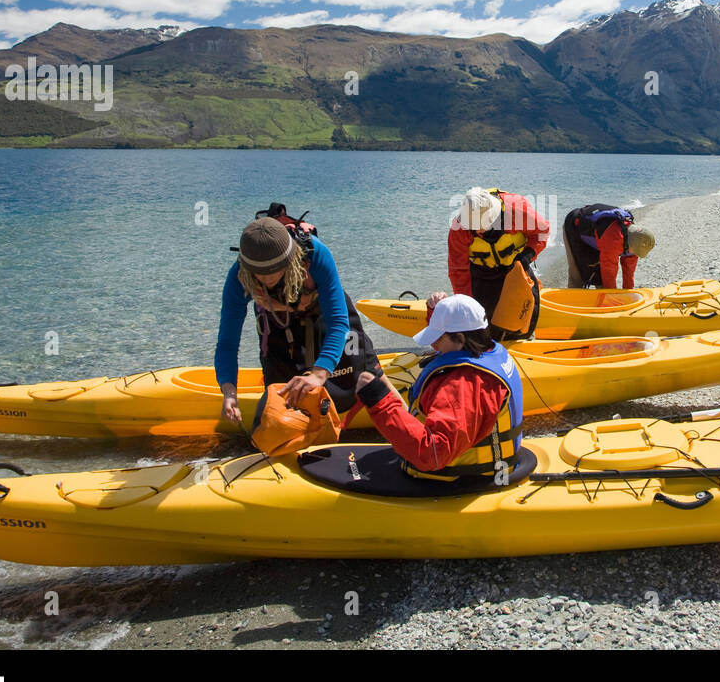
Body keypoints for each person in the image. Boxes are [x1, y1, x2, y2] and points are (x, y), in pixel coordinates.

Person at [215, 215, 379, 430]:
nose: (267, 278)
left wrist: (319, 374)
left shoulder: (315, 254)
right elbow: (227, 342)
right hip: (277, 318)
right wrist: (229, 391)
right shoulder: (239, 276)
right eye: (260, 273)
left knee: (367, 373)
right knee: (281, 398)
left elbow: (338, 322)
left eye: (275, 269)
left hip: (323, 311)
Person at [354, 294, 524, 482]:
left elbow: (431, 454)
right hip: (492, 467)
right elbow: (450, 339)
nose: (433, 345)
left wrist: (379, 402)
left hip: (460, 480)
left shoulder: (463, 384)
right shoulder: (490, 349)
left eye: (437, 338)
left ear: (460, 338)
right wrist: (436, 314)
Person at [448, 186, 549, 338]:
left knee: (522, 325)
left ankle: (524, 342)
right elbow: (458, 271)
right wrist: (468, 305)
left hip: (515, 271)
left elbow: (542, 231)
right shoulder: (459, 229)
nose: (475, 231)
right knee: (484, 331)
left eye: (478, 226)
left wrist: (528, 255)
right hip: (483, 275)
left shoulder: (516, 210)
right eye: (471, 226)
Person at [563, 204, 655, 288]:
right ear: (628, 244)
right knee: (577, 277)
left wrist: (628, 295)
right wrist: (611, 296)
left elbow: (629, 273)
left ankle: (599, 303)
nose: (635, 254)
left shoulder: (635, 239)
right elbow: (609, 275)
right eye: (635, 252)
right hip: (574, 225)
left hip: (598, 235)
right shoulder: (614, 240)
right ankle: (573, 300)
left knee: (599, 279)